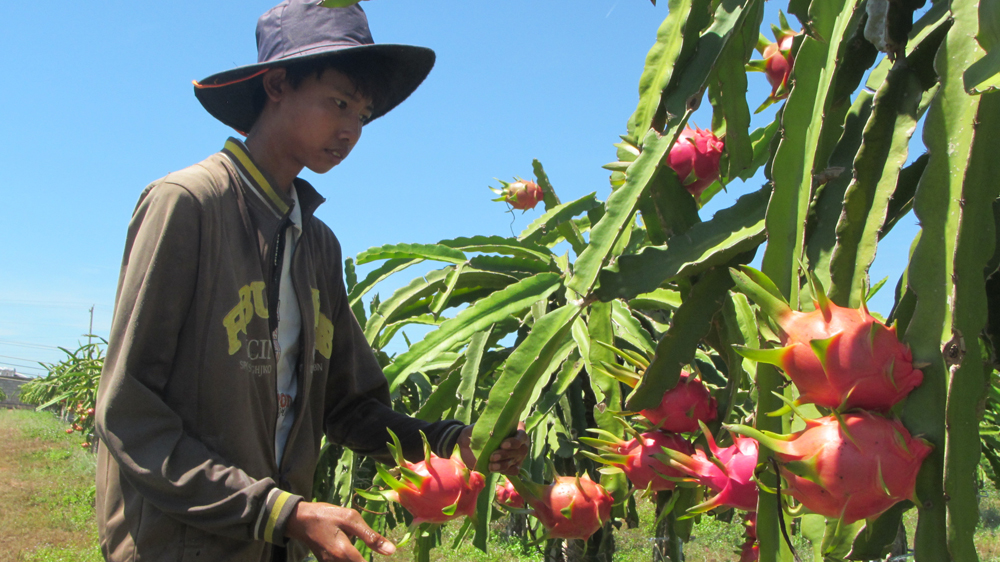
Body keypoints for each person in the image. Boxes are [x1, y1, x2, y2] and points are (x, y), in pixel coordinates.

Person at [93, 3, 529, 561]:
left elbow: (348, 408)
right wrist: (280, 510)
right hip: (178, 545)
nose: (350, 131)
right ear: (276, 83)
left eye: (364, 117)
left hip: (273, 546)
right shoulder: (188, 205)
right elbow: (128, 410)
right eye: (339, 103)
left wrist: (452, 443)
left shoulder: (318, 246)